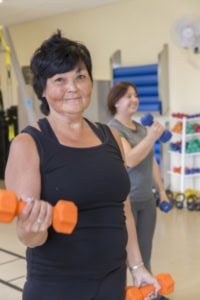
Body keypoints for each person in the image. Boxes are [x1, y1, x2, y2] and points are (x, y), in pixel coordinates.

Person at [4, 31, 160, 300]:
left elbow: (123, 209)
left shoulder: (109, 136)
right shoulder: (28, 144)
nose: (73, 87)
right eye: (59, 80)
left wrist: (137, 266)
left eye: (80, 76)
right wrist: (34, 228)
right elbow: (29, 238)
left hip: (112, 280)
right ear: (42, 89)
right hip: (58, 286)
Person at [107, 81, 171, 300]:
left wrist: (161, 191)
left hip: (146, 200)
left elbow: (150, 162)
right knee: (123, 257)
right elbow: (130, 160)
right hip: (127, 202)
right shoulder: (113, 129)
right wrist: (151, 137)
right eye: (128, 96)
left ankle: (148, 294)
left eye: (135, 95)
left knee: (144, 253)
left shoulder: (141, 128)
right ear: (116, 102)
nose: (134, 100)